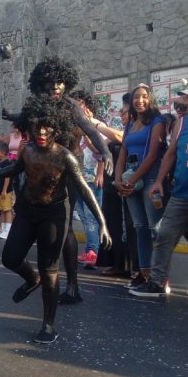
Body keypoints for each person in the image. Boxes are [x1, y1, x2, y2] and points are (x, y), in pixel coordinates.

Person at [0, 95, 110, 343]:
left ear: (57, 129)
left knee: (49, 268)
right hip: (28, 211)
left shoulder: (65, 157)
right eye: (37, 127)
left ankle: (49, 325)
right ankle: (32, 279)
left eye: (47, 128)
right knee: (10, 258)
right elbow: (15, 170)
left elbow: (84, 189)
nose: (41, 132)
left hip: (54, 214)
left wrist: (102, 222)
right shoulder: (27, 150)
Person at [131, 80, 188, 299]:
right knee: (164, 236)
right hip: (181, 194)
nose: (187, 102)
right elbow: (170, 154)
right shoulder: (182, 123)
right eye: (186, 97)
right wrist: (159, 180)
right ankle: (158, 282)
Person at [113, 83, 167, 289]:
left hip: (150, 177)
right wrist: (119, 180)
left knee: (156, 228)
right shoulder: (130, 124)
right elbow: (122, 153)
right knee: (139, 227)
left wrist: (131, 180)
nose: (140, 100)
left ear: (151, 99)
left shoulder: (157, 122)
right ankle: (145, 273)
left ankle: (160, 276)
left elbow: (153, 155)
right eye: (136, 97)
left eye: (144, 96)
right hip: (130, 177)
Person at [69, 91, 105, 266]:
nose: (78, 106)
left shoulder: (94, 125)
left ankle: (93, 251)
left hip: (92, 177)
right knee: (83, 215)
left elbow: (101, 151)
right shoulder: (75, 126)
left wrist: (100, 173)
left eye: (81, 103)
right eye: (75, 103)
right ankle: (91, 249)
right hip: (78, 176)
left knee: (91, 216)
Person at [0, 142, 15, 238]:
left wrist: (4, 190)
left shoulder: (7, 163)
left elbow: (7, 177)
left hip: (5, 192)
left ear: (3, 153)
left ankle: (8, 231)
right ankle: (3, 229)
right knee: (2, 211)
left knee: (7, 210)